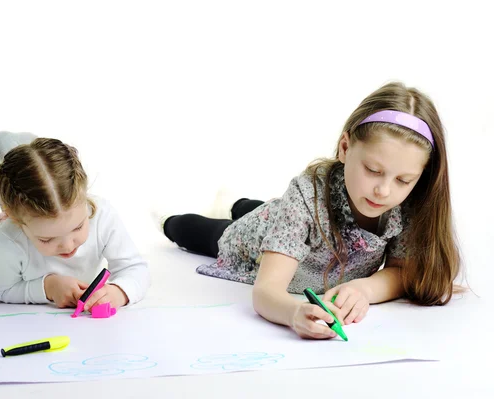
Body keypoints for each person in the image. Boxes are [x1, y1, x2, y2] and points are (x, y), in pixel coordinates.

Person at [156, 82, 461, 339]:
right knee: (211, 232)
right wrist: (292, 313)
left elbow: (401, 271)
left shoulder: (405, 204)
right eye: (372, 169)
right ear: (344, 148)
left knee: (267, 210)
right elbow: (267, 291)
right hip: (255, 238)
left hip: (291, 223)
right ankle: (168, 220)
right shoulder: (305, 195)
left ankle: (239, 203)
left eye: (403, 180)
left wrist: (364, 289)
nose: (384, 191)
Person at [0, 116, 150, 311]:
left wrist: (120, 292)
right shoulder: (6, 238)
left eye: (78, 227)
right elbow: (4, 289)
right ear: (13, 216)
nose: (68, 245)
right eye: (48, 239)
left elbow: (134, 268)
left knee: (33, 197)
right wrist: (47, 287)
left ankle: (19, 153)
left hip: (30, 223)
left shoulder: (102, 216)